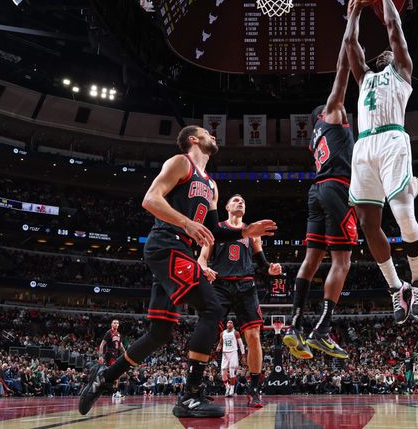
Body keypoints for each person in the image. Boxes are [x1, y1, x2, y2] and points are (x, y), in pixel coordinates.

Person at [78, 126, 276, 418]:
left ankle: (104, 378)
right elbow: (150, 199)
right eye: (208, 133)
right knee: (211, 307)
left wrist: (245, 230)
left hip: (181, 251)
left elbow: (212, 231)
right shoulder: (181, 162)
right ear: (193, 139)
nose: (215, 136)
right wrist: (186, 223)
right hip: (165, 243)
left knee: (159, 334)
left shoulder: (211, 184)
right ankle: (190, 395)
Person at [343, 0, 418, 325]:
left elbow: (394, 29)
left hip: (393, 139)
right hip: (364, 146)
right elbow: (350, 46)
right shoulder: (364, 78)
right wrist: (355, 12)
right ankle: (396, 288)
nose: (386, 51)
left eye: (390, 51)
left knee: (403, 215)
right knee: (367, 222)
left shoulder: (402, 71)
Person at [284, 34, 357, 361]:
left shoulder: (316, 139)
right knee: (342, 260)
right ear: (327, 113)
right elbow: (342, 71)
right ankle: (322, 329)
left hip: (315, 191)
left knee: (312, 259)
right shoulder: (333, 113)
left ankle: (294, 325)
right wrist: (349, 34)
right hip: (336, 188)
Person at [198, 194, 282, 408]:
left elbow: (262, 262)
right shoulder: (216, 228)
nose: (240, 202)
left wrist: (270, 268)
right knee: (207, 332)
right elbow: (202, 257)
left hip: (246, 286)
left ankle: (254, 389)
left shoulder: (252, 231)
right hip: (220, 284)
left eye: (243, 200)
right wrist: (203, 267)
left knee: (253, 337)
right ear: (226, 207)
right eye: (235, 200)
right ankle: (195, 386)